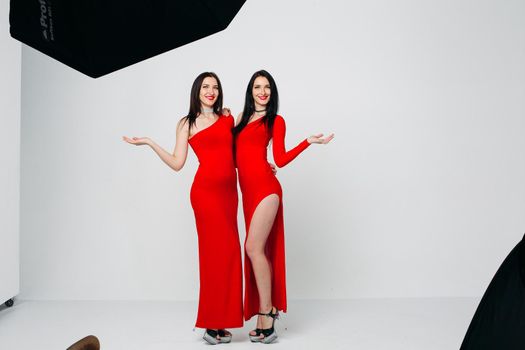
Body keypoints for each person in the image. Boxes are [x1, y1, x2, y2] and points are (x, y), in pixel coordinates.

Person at [123, 72, 243, 344]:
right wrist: (151, 143)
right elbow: (178, 163)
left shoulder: (227, 119)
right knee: (213, 257)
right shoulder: (187, 123)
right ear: (197, 91)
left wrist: (261, 164)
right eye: (205, 87)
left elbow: (235, 154)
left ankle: (221, 321)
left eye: (214, 87)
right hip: (206, 195)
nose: (210, 91)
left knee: (230, 255)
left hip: (228, 195)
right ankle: (211, 324)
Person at [233, 70, 334, 343]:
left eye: (267, 87)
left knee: (253, 247)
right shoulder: (239, 121)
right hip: (248, 193)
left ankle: (267, 312)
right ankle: (265, 310)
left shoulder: (275, 120)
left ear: (272, 92)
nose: (262, 92)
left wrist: (307, 142)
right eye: (257, 87)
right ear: (250, 91)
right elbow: (233, 158)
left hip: (267, 190)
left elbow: (281, 158)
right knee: (257, 249)